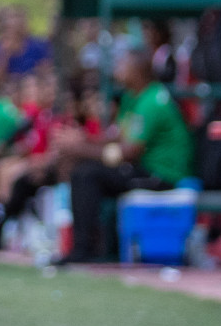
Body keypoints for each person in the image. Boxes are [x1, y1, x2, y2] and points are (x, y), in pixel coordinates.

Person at [51, 49, 193, 263]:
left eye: (123, 65)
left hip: (161, 175)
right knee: (80, 167)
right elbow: (116, 138)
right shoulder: (131, 98)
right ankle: (90, 245)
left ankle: (84, 249)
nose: (118, 70)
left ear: (138, 70)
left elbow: (129, 152)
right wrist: (81, 139)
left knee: (86, 174)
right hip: (140, 168)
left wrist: (80, 148)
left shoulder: (152, 100)